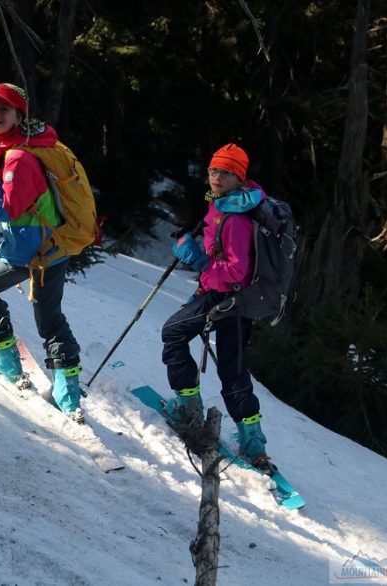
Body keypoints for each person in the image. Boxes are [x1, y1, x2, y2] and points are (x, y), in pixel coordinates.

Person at [0, 83, 85, 423]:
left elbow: (10, 208)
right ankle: (67, 393)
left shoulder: (19, 157)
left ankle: (7, 362)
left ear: (18, 117)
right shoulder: (19, 148)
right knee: (49, 317)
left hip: (32, 250)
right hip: (53, 245)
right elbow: (23, 201)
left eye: (3, 110)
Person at [161, 143, 271, 469]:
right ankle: (255, 446)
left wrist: (198, 261)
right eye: (213, 170)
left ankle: (188, 408)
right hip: (238, 303)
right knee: (232, 370)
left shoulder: (237, 218)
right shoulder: (229, 204)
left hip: (224, 297)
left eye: (226, 172)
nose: (217, 177)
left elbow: (235, 272)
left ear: (240, 177)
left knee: (173, 333)